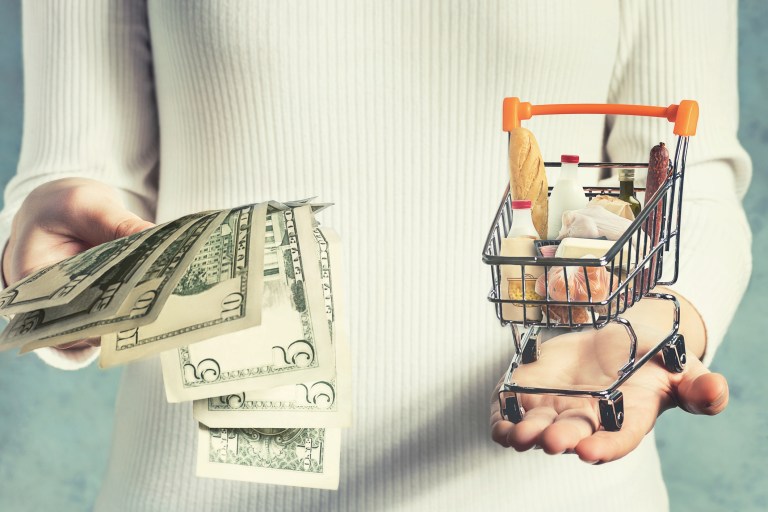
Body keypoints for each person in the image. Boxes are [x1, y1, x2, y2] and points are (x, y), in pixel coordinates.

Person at [0, 1, 752, 510]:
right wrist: (55, 279)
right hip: (203, 487)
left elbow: (691, 175)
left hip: (549, 479)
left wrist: (669, 317)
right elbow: (74, 171)